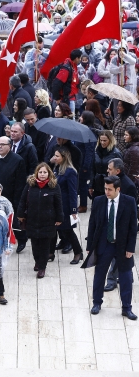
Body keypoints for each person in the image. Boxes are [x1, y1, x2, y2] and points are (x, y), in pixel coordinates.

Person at [87, 175, 137, 320]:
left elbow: (133, 227)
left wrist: (130, 248)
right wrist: (90, 245)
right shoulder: (98, 201)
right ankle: (97, 303)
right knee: (99, 275)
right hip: (104, 244)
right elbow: (92, 225)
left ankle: (126, 308)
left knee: (126, 277)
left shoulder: (129, 202)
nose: (106, 192)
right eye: (105, 188)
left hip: (122, 246)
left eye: (109, 189)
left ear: (118, 189)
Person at [17, 163, 63, 278]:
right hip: (32, 219)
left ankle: (42, 267)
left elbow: (58, 204)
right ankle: (37, 261)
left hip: (48, 221)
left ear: (49, 173)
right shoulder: (30, 185)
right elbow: (22, 200)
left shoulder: (54, 186)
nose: (42, 174)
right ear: (37, 173)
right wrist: (20, 214)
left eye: (45, 172)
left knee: (45, 245)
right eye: (40, 172)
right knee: (34, 244)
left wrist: (59, 217)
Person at [0, 136, 27, 251]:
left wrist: (17, 200)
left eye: (3, 144)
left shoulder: (17, 160)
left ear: (10, 146)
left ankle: (21, 240)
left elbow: (20, 182)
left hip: (11, 196)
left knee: (14, 221)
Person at [51, 146, 83, 264]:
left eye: (57, 156)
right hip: (56, 205)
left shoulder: (70, 171)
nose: (54, 157)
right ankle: (50, 252)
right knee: (54, 229)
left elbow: (73, 192)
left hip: (66, 206)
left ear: (64, 158)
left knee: (68, 231)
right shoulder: (56, 168)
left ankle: (78, 252)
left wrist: (74, 210)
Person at [90, 130, 122, 199]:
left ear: (110, 140)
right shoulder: (96, 152)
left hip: (110, 185)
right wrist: (91, 185)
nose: (102, 142)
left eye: (105, 140)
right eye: (101, 140)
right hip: (97, 184)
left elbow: (120, 172)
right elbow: (93, 169)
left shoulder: (115, 153)